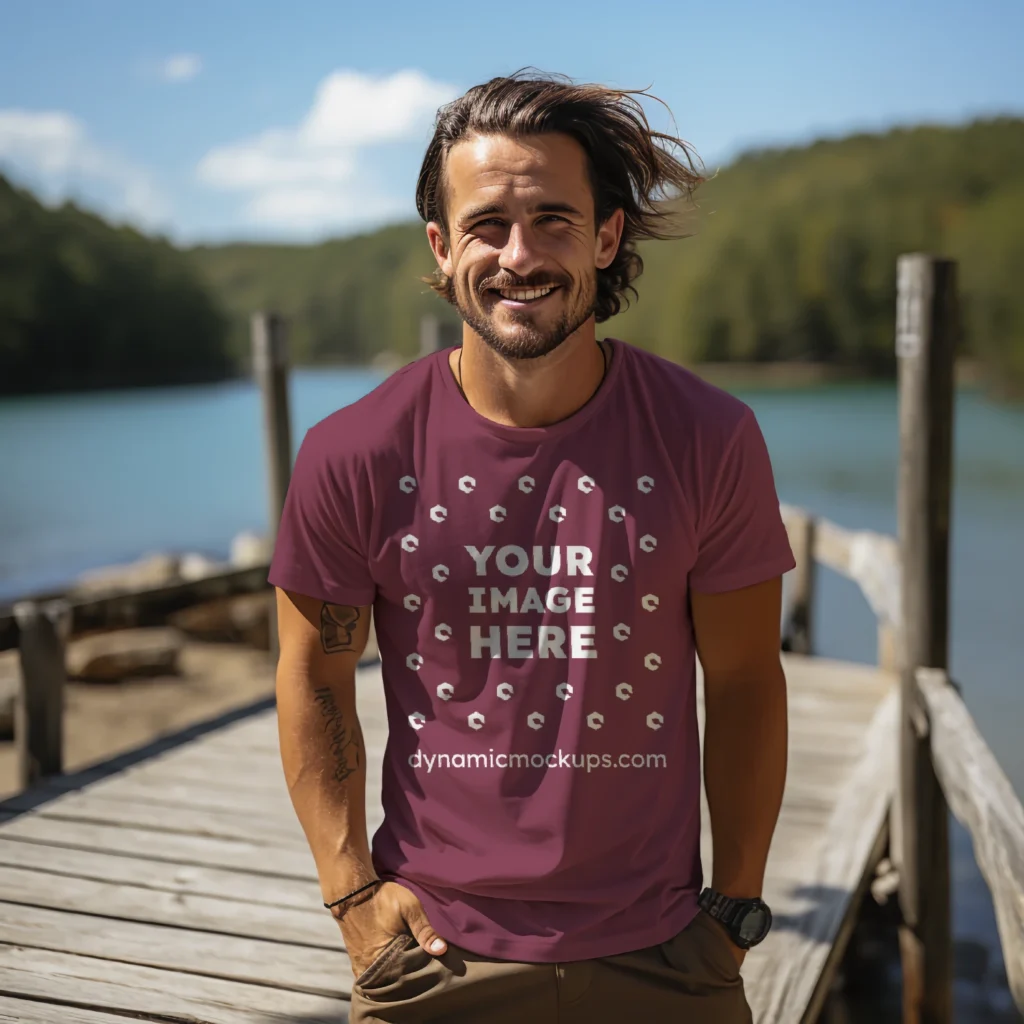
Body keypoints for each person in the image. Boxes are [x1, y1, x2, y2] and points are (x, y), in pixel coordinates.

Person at [268, 70, 795, 1024]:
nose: (520, 255)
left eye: (555, 219)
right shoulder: (354, 453)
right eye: (487, 225)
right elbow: (312, 672)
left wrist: (735, 908)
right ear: (441, 247)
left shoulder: (706, 437)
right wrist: (352, 898)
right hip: (432, 953)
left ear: (607, 235)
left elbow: (750, 678)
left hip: (665, 951)